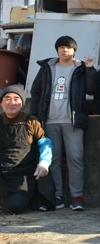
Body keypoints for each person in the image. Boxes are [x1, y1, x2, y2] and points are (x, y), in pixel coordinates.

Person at [30, 35, 88, 211]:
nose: (65, 50)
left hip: (72, 121)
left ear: (74, 51)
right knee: (52, 160)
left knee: (75, 158)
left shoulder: (80, 68)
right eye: (62, 47)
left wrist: (91, 69)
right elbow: (36, 91)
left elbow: (92, 89)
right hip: (49, 121)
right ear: (57, 50)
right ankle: (57, 196)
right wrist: (34, 115)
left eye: (69, 48)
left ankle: (77, 196)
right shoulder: (47, 67)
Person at [0, 85, 55, 214]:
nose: (12, 103)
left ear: (22, 103)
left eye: (16, 99)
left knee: (12, 207)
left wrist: (44, 163)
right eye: (7, 98)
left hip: (22, 174)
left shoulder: (31, 121)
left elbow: (45, 143)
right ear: (1, 102)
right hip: (1, 169)